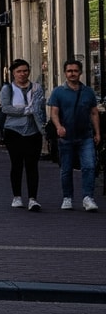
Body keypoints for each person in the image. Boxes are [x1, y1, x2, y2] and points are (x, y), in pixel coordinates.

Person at [44, 59, 99, 212]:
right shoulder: (58, 92)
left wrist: (97, 133)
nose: (72, 74)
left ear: (80, 72)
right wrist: (59, 127)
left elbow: (94, 113)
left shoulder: (88, 92)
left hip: (85, 135)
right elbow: (53, 112)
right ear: (65, 73)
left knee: (89, 166)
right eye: (69, 71)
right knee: (66, 168)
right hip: (66, 136)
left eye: (75, 71)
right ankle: (67, 197)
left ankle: (88, 197)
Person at [0, 59, 45, 211]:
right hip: (14, 131)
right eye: (19, 71)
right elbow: (6, 108)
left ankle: (33, 198)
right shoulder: (8, 89)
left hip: (33, 131)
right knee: (16, 164)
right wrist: (24, 110)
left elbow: (40, 108)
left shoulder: (37, 88)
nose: (22, 74)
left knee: (32, 165)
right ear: (13, 73)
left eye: (25, 70)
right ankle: (17, 196)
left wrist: (42, 126)